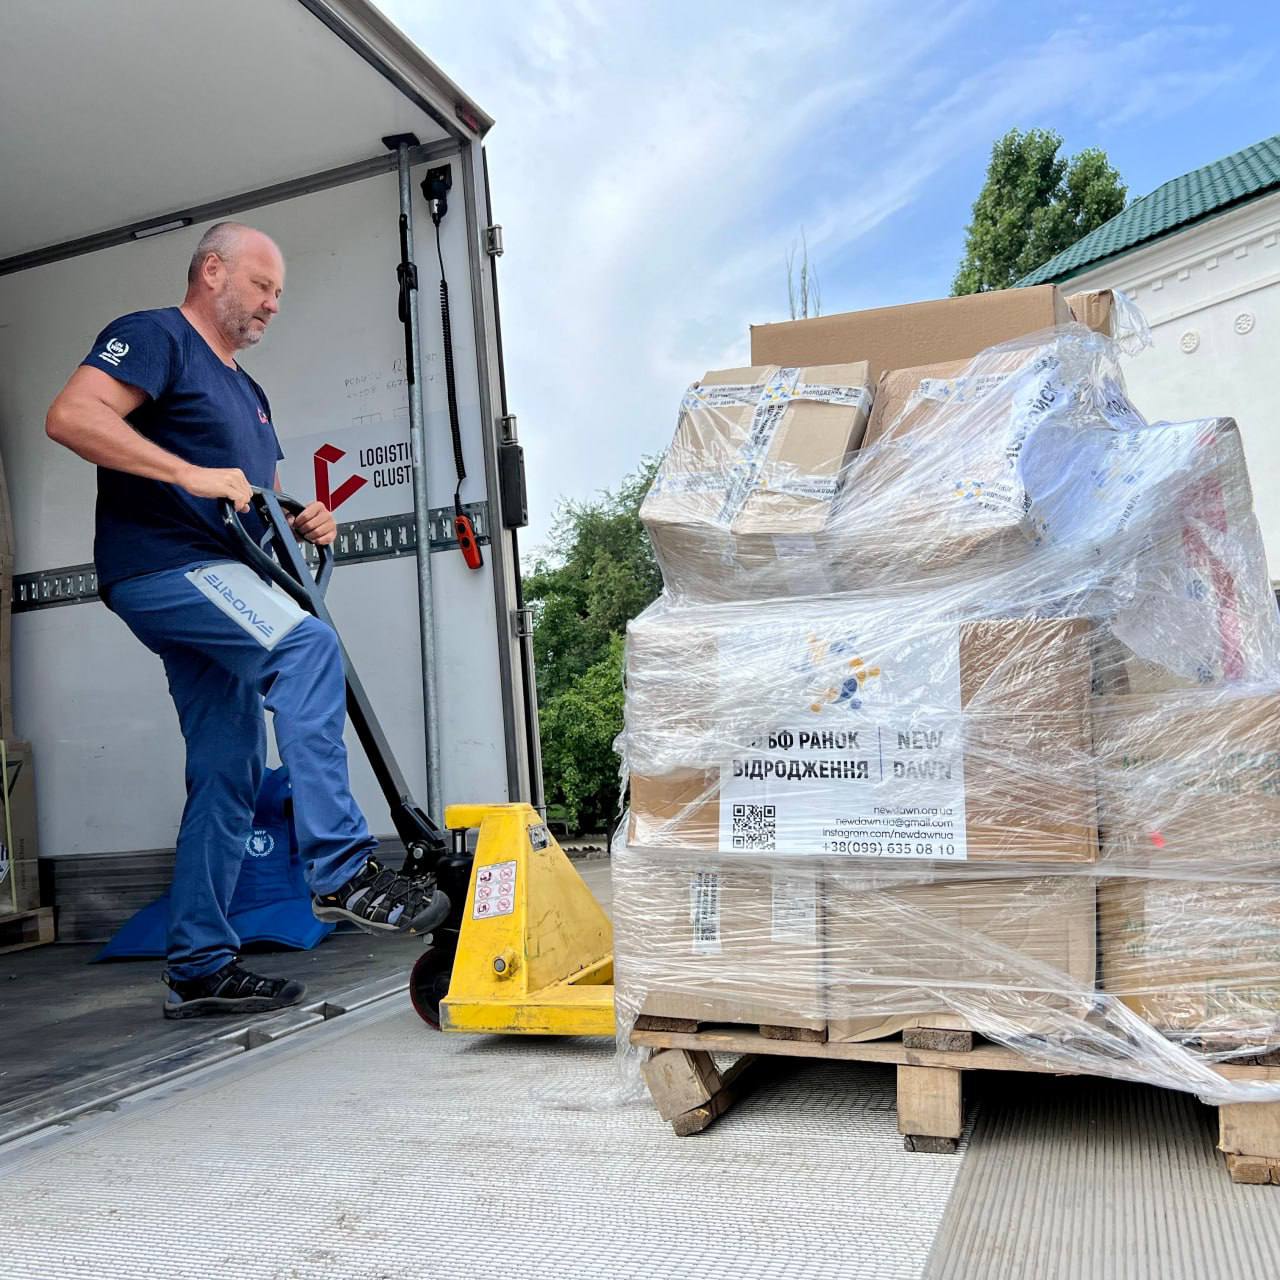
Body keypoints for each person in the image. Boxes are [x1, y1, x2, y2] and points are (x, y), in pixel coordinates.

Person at [45, 221, 448, 1020]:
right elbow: (73, 416)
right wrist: (189, 472)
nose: (272, 305)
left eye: (279, 295)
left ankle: (198, 965)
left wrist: (298, 525)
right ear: (213, 271)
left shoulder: (250, 395)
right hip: (163, 570)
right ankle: (338, 869)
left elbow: (245, 506)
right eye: (262, 286)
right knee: (305, 647)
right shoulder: (155, 336)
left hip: (222, 575)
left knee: (228, 771)